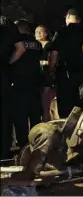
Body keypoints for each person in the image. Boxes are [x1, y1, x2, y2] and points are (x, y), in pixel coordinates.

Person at [50, 8, 83, 118]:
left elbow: (54, 53)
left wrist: (50, 69)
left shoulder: (62, 32)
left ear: (68, 16)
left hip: (65, 73)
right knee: (82, 102)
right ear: (79, 19)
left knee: (65, 104)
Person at [10, 19, 42, 149]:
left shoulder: (16, 41)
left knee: (20, 114)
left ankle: (22, 143)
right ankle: (37, 141)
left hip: (19, 81)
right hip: (34, 81)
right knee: (35, 113)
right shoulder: (37, 43)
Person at [0, 16, 26, 159]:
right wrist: (8, 64)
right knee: (5, 113)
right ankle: (4, 152)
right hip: (3, 73)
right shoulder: (9, 25)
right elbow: (20, 49)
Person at [35, 25, 59, 121]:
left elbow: (53, 59)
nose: (38, 33)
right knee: (49, 106)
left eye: (41, 31)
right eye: (36, 32)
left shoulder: (50, 44)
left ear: (46, 33)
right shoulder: (35, 45)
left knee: (46, 105)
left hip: (47, 77)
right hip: (39, 77)